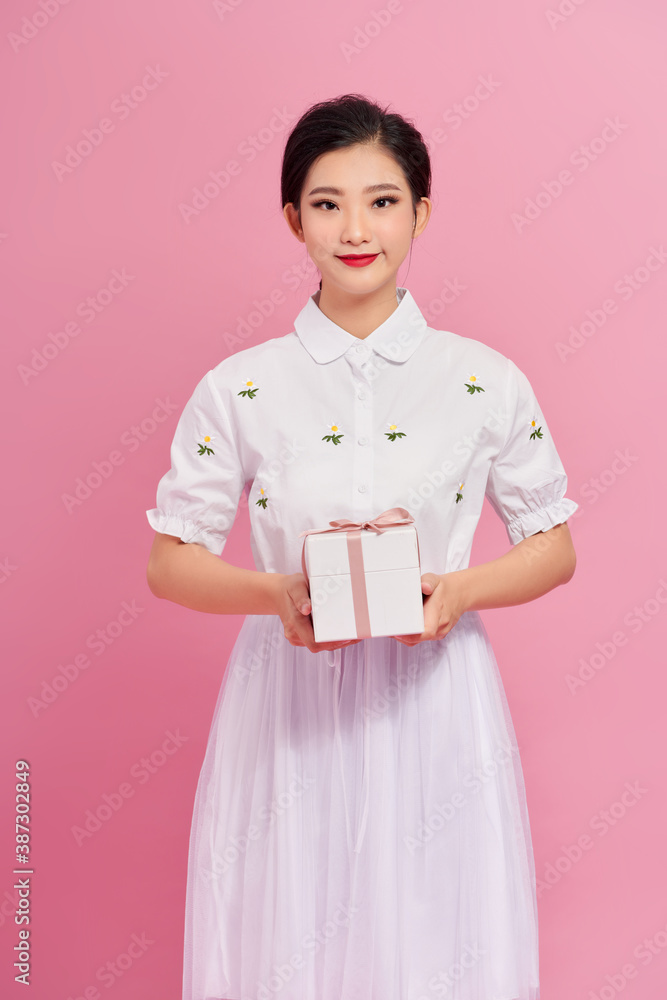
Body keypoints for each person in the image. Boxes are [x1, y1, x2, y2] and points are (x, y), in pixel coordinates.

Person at [146, 93, 577, 1000]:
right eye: (327, 201)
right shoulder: (243, 387)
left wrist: (456, 593)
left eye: (382, 201)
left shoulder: (482, 381)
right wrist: (278, 597)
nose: (355, 227)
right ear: (291, 218)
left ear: (420, 213)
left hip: (437, 697)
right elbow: (170, 560)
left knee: (438, 931)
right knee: (282, 931)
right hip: (288, 697)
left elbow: (552, 544)